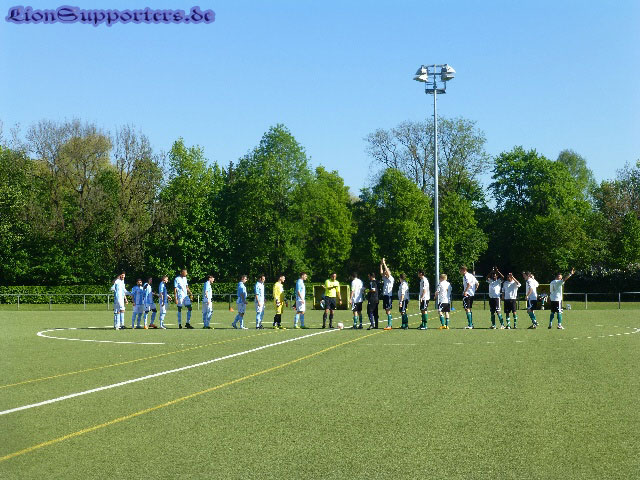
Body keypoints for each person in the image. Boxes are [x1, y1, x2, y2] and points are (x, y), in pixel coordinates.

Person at [381, 258, 394, 330]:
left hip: (389, 296)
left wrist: (384, 263)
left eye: (386, 271)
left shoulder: (391, 278)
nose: (385, 272)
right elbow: (381, 273)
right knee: (386, 310)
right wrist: (381, 265)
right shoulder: (385, 278)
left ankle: (389, 325)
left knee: (388, 310)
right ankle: (389, 324)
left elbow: (388, 273)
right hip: (385, 295)